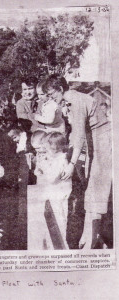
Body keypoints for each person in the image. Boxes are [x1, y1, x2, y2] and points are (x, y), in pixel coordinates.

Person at [42, 74, 112, 249]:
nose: (50, 98)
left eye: (51, 94)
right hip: (94, 139)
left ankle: (94, 238)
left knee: (97, 188)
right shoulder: (71, 100)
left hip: (102, 140)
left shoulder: (75, 100)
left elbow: (80, 135)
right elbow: (75, 134)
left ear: (60, 89)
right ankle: (91, 235)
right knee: (91, 189)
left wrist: (72, 164)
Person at [28, 131, 72, 249]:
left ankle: (60, 247)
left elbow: (52, 178)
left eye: (47, 149)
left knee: (59, 224)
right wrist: (40, 169)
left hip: (60, 197)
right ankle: (52, 245)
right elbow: (43, 174)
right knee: (52, 222)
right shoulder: (54, 158)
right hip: (53, 196)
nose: (45, 152)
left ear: (55, 149)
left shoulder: (61, 160)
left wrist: (43, 166)